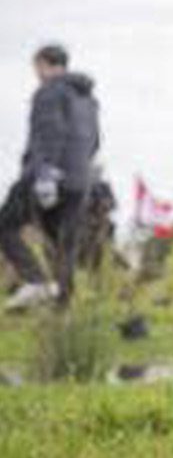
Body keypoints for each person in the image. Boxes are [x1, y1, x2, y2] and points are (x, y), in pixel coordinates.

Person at [2, 44, 101, 311]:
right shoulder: (89, 100)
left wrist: (45, 173)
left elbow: (49, 133)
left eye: (36, 67)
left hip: (47, 176)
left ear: (43, 64)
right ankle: (62, 309)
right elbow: (95, 142)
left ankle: (35, 281)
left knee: (5, 225)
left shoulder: (48, 92)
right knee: (62, 242)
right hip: (80, 180)